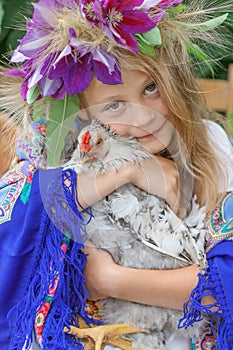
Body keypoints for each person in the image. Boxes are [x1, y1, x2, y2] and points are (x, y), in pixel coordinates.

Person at [0, 0, 233, 349]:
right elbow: (12, 230)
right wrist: (125, 171)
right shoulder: (55, 160)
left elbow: (223, 290)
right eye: (114, 105)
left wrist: (112, 279)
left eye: (151, 88)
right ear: (80, 112)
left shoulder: (211, 147)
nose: (142, 119)